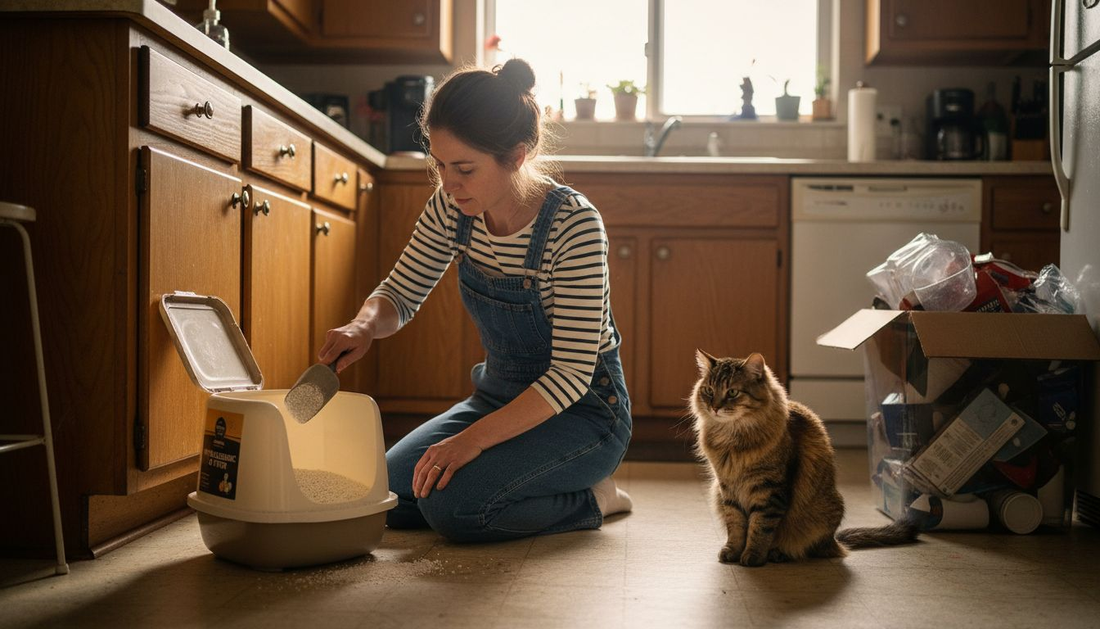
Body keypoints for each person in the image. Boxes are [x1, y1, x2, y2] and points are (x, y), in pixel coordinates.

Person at [318, 59, 633, 543]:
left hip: (584, 413)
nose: (448, 183)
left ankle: (595, 497)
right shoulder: (452, 207)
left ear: (517, 155)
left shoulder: (574, 227)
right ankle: (515, 484)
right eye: (439, 164)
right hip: (498, 397)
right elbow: (400, 293)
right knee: (386, 495)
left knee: (456, 509)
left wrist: (469, 443)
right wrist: (363, 326)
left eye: (464, 168)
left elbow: (570, 375)